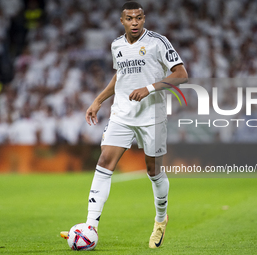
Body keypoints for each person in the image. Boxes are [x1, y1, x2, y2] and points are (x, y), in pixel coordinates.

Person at [61, 1, 187, 249]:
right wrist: (98, 101)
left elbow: (181, 74)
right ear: (122, 21)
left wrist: (149, 88)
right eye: (129, 19)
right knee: (105, 161)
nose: (135, 23)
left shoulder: (158, 42)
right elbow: (119, 75)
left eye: (139, 18)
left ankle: (160, 220)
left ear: (144, 18)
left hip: (152, 114)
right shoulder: (116, 45)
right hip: (122, 113)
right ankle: (90, 226)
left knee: (153, 171)